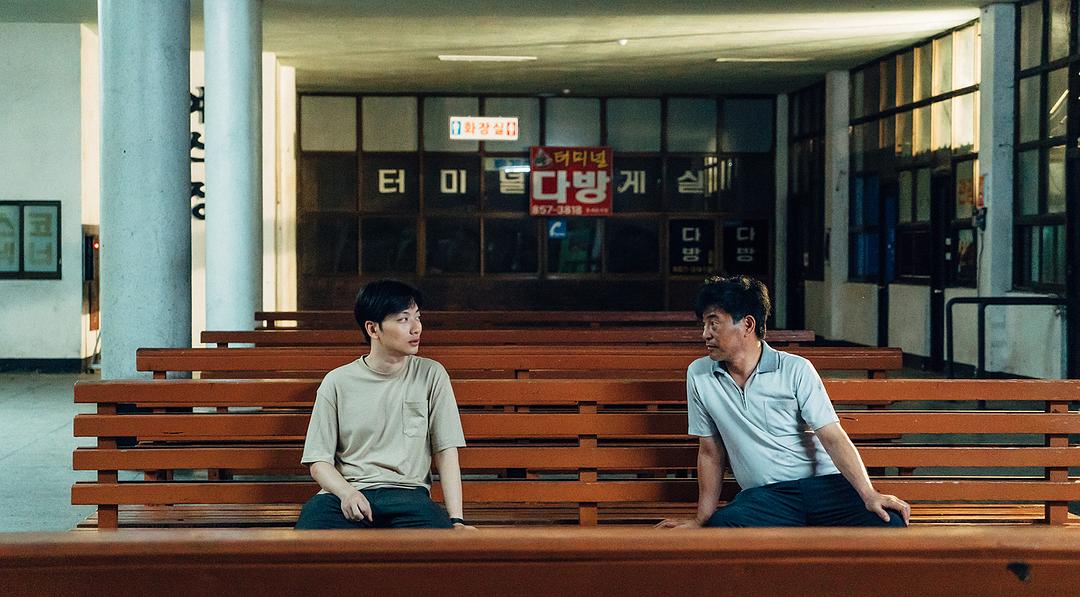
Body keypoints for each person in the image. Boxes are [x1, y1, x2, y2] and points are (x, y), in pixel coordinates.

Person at [658, 275, 909, 528]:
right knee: (720, 528)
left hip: (824, 487)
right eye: (704, 325)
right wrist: (701, 520)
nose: (705, 334)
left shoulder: (795, 369)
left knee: (891, 523)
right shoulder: (700, 374)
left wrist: (869, 494)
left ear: (747, 324)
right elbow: (710, 452)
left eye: (714, 324)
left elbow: (832, 436)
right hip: (767, 498)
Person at [294, 279, 471, 530]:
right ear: (373, 329)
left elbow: (446, 451)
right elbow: (318, 462)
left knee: (439, 546)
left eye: (417, 317)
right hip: (345, 494)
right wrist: (347, 493)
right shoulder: (337, 382)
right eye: (403, 319)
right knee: (308, 540)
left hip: (408, 496)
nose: (416, 328)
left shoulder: (431, 375)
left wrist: (457, 520)